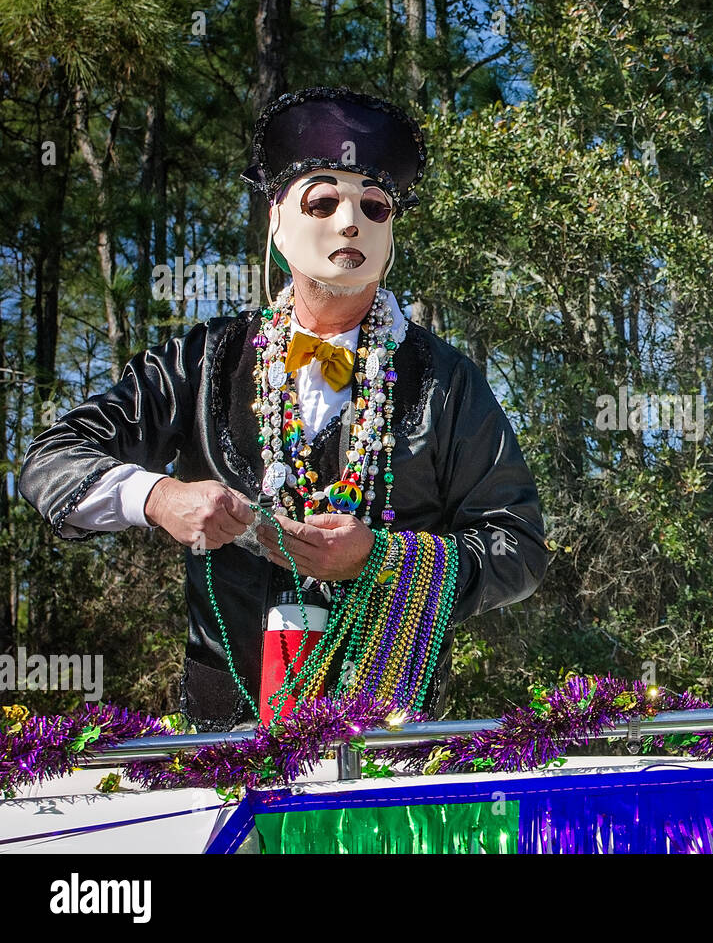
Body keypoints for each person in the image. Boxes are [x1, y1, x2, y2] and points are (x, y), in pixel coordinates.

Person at [19, 88, 547, 730]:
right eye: (322, 201)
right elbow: (51, 462)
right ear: (276, 221)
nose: (349, 223)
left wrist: (379, 560)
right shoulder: (200, 362)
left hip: (389, 739)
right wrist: (157, 498)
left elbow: (517, 549)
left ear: (390, 234)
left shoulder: (449, 384)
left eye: (373, 207)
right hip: (223, 738)